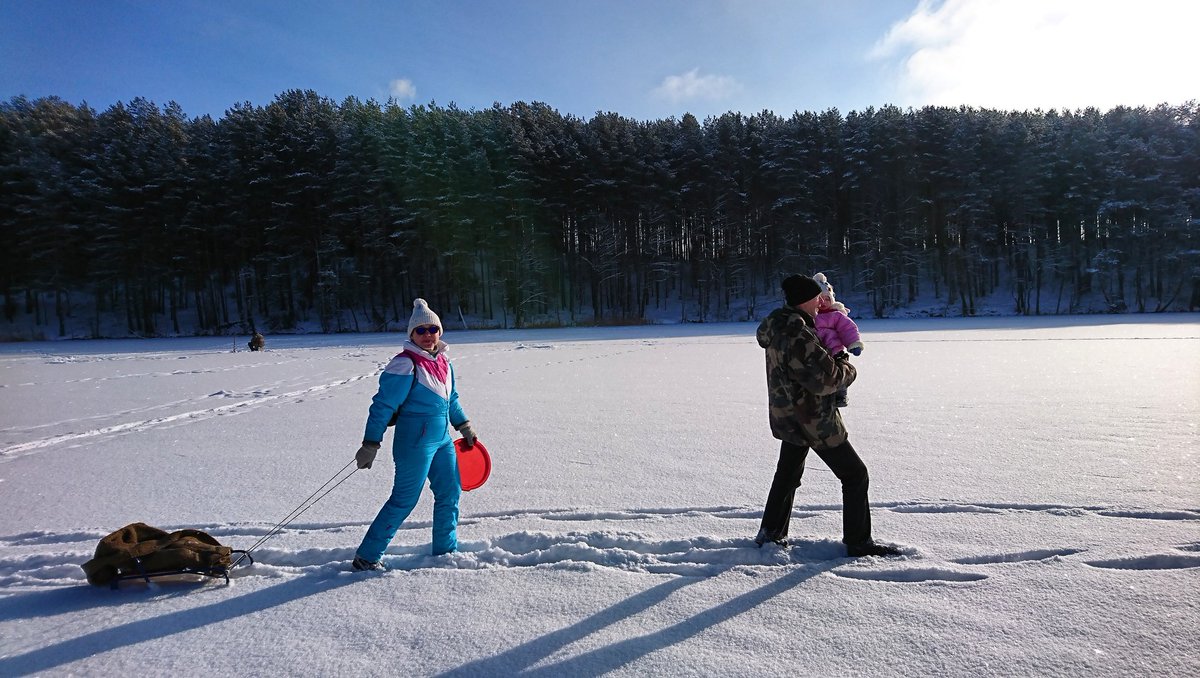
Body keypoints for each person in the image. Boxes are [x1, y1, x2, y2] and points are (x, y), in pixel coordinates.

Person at [754, 275, 901, 558]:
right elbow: (826, 380)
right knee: (855, 474)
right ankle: (859, 543)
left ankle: (770, 535)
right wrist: (847, 366)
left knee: (787, 475)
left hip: (789, 416)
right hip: (813, 419)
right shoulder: (799, 334)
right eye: (815, 298)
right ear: (803, 300)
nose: (821, 302)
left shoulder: (777, 326)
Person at [350, 298, 478, 571]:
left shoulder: (444, 361)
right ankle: (367, 556)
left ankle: (445, 550)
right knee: (404, 499)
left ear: (440, 332)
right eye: (421, 331)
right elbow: (383, 405)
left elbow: (450, 398)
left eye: (433, 329)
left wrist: (464, 425)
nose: (428, 335)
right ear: (411, 335)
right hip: (415, 443)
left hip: (442, 440)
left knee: (450, 493)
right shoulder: (405, 364)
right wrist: (370, 443)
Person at [811, 272, 863, 408]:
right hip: (816, 351)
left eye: (827, 299)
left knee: (840, 373)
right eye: (819, 299)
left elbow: (848, 329)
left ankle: (841, 395)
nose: (823, 302)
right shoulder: (810, 316)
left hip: (835, 351)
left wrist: (853, 343)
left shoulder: (836, 315)